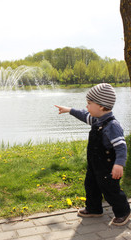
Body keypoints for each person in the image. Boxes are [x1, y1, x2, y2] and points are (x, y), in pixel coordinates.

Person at [55, 83, 130, 226]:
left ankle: (123, 211)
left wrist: (119, 164)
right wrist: (69, 110)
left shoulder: (112, 125)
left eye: (89, 103)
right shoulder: (96, 119)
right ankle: (94, 208)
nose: (87, 106)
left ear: (101, 106)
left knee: (110, 190)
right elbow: (84, 115)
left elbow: (121, 147)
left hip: (108, 167)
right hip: (94, 165)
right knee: (91, 186)